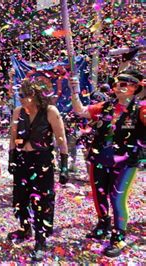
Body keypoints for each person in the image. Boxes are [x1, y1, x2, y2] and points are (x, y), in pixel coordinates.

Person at [69, 69, 145, 257]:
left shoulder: (141, 108)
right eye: (118, 82)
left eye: (125, 83)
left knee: (117, 199)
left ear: (135, 87)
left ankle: (119, 237)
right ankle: (103, 224)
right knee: (99, 195)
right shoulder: (106, 106)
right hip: (100, 158)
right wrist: (74, 91)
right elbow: (80, 111)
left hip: (126, 162)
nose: (119, 86)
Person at [8, 78, 68, 261]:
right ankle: (25, 228)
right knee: (20, 197)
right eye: (20, 96)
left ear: (34, 95)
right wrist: (11, 158)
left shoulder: (50, 111)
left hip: (42, 160)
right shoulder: (19, 112)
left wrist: (64, 165)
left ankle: (41, 239)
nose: (21, 99)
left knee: (42, 200)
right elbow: (13, 137)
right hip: (22, 159)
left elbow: (61, 138)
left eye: (24, 96)